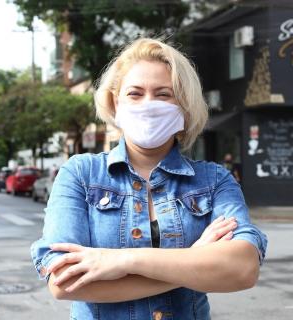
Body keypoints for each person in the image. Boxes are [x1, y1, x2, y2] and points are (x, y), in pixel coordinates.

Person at [31, 38, 267, 319]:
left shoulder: (214, 180)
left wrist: (120, 260)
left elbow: (242, 268)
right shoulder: (80, 174)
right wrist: (193, 260)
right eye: (135, 93)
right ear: (115, 102)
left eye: (164, 94)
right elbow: (64, 281)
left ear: (184, 105)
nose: (149, 104)